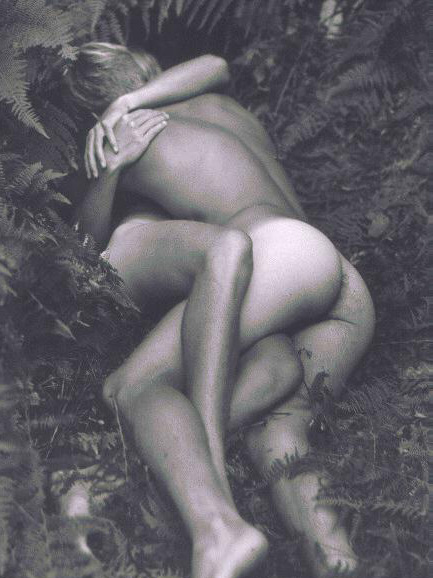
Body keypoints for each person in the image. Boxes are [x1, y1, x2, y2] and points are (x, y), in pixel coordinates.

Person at [64, 43, 375, 578]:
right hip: (342, 284)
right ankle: (337, 561)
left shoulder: (131, 136)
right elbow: (216, 64)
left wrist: (106, 167)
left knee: (134, 386)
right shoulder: (220, 107)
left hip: (277, 257)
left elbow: (87, 259)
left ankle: (212, 528)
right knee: (279, 434)